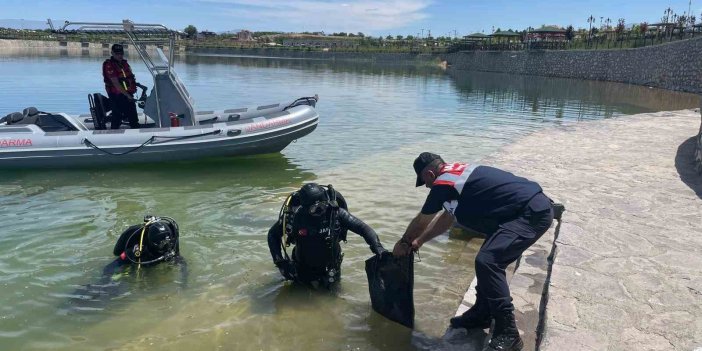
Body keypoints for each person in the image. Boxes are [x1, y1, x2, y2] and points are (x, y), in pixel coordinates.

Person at [393, 152, 557, 351]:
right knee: (487, 257)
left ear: (429, 174)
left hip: (530, 214)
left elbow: (422, 219)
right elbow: (447, 218)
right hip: (520, 212)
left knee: (488, 261)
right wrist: (419, 241)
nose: (426, 187)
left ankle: (508, 332)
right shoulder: (456, 175)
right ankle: (482, 312)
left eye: (424, 182)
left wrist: (404, 243)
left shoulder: (442, 183)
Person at [267, 183, 386, 288]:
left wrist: (377, 247)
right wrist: (281, 262)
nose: (320, 211)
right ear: (305, 207)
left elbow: (363, 228)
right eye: (314, 209)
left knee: (333, 301)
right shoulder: (295, 218)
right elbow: (272, 235)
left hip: (331, 268)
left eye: (322, 206)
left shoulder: (336, 213)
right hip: (302, 268)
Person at [66, 215, 186, 312]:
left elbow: (181, 262)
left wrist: (184, 282)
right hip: (129, 253)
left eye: (166, 245)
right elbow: (114, 264)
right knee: (119, 282)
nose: (164, 248)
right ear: (151, 244)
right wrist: (106, 280)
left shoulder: (171, 241)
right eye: (160, 246)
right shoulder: (137, 250)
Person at [102, 43, 140, 129]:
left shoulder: (124, 64)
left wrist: (135, 86)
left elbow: (127, 78)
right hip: (116, 95)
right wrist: (127, 95)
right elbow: (116, 83)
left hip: (127, 94)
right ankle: (114, 133)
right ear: (112, 53)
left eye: (121, 53)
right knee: (118, 115)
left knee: (132, 115)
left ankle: (135, 128)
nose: (119, 55)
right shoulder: (109, 65)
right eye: (117, 53)